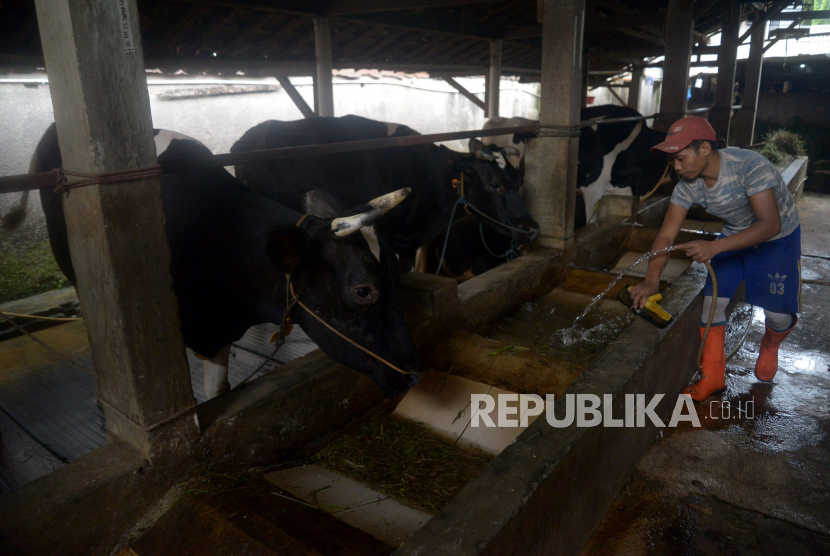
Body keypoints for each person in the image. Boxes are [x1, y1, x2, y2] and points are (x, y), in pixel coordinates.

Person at [630, 117, 800, 401]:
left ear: (705, 149)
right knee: (712, 304)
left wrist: (715, 248)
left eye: (681, 158)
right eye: (673, 161)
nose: (677, 167)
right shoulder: (686, 185)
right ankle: (713, 376)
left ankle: (771, 343)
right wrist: (651, 280)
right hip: (735, 235)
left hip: (776, 240)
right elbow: (666, 236)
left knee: (778, 315)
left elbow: (770, 225)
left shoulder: (750, 167)